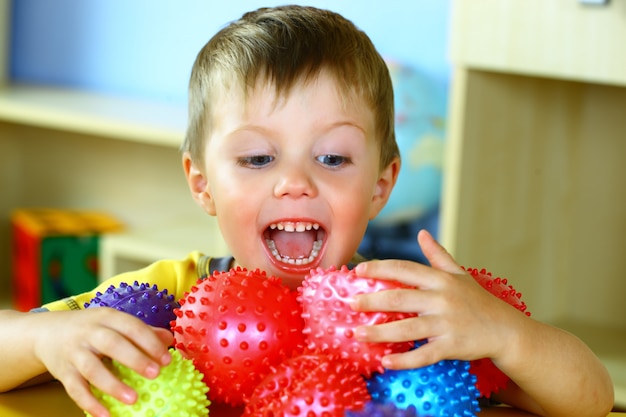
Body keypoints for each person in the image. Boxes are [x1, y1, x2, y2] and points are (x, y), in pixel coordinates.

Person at [0, 5, 614, 417]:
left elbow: (591, 399)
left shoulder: (407, 314)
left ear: (381, 185)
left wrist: (506, 333)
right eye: (259, 159)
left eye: (332, 157)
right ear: (202, 183)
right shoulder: (170, 295)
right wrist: (48, 334)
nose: (295, 182)